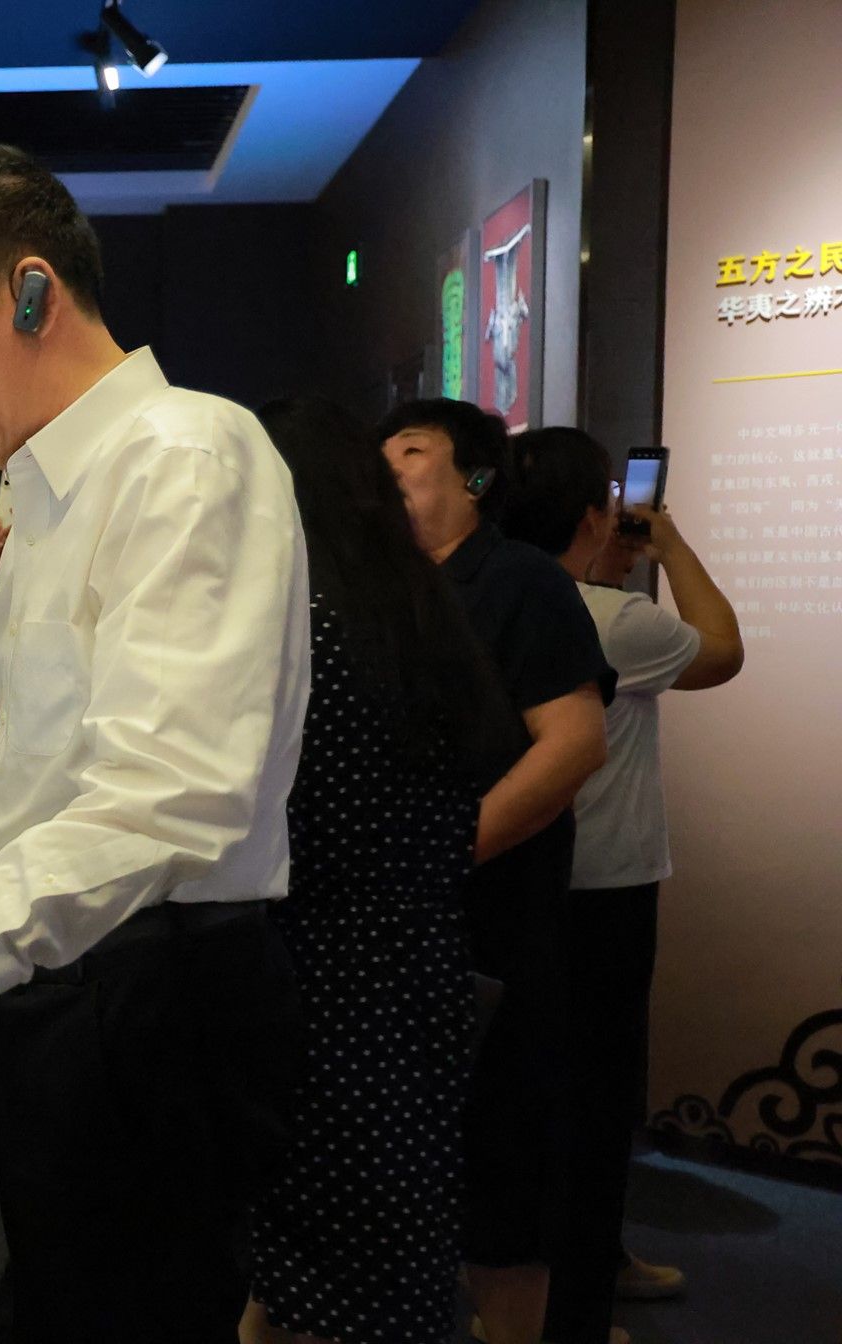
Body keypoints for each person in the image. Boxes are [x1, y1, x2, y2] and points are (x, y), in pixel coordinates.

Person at [0, 145, 310, 1342]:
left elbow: (169, 788)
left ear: (33, 291)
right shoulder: (42, 491)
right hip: (76, 972)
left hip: (153, 985)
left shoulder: (181, 452)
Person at [242, 398, 514, 1344]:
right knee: (389, 1246)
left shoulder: (298, 624)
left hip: (318, 978)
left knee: (319, 1258)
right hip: (416, 963)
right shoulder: (414, 606)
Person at [377, 399, 613, 1344]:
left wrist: (443, 851)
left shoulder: (519, 581)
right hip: (392, 933)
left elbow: (574, 744)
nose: (387, 466)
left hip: (495, 929)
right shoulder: (383, 586)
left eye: (412, 450)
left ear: (475, 479)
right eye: (379, 452)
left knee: (502, 1180)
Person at [502, 427, 744, 1337]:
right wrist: (668, 545)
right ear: (590, 515)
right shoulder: (613, 622)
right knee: (596, 1102)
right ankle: (574, 1304)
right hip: (605, 893)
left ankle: (550, 1277)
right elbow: (723, 650)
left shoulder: (493, 597)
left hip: (518, 881)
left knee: (528, 1094)